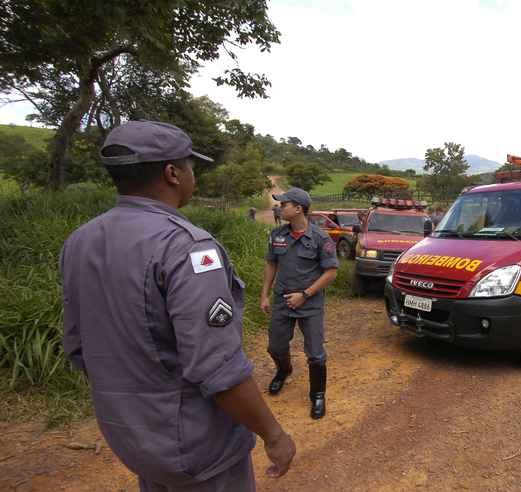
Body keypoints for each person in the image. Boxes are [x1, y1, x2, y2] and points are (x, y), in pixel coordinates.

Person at [60, 120, 295, 491]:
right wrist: (274, 434)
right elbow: (218, 368)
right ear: (172, 173)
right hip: (198, 447)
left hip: (131, 437)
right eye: (190, 166)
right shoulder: (186, 247)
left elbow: (78, 346)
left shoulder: (80, 241)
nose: (192, 175)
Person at [260, 188, 338, 419]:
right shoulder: (278, 235)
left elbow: (331, 271)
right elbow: (271, 264)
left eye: (284, 204)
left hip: (309, 304)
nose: (280, 207)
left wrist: (305, 294)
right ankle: (284, 370)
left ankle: (318, 395)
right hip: (282, 302)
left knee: (315, 353)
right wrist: (264, 294)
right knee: (275, 346)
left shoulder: (320, 238)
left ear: (298, 209)